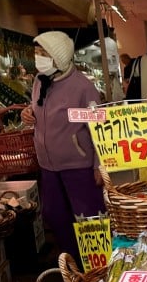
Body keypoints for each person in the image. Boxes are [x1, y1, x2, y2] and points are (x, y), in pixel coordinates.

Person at [20, 31, 106, 268]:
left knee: (88, 220)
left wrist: (99, 163)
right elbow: (37, 110)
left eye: (43, 53)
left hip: (78, 166)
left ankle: (97, 271)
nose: (38, 58)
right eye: (37, 52)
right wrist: (27, 113)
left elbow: (98, 127)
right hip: (48, 166)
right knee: (56, 216)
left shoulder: (83, 87)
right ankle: (73, 265)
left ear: (59, 56)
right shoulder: (40, 81)